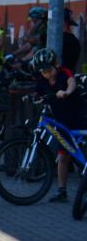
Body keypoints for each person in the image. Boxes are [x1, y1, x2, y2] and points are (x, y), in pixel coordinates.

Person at [32, 47, 84, 201]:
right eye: (44, 72)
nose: (47, 74)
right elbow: (38, 92)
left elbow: (72, 83)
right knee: (63, 156)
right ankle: (62, 190)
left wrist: (67, 92)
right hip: (62, 121)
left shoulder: (64, 73)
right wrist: (31, 97)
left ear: (56, 64)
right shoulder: (43, 81)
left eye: (49, 70)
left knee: (80, 150)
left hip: (78, 117)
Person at [62, 7, 81, 74]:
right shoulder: (75, 41)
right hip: (70, 75)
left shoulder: (60, 40)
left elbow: (29, 37)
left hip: (60, 78)